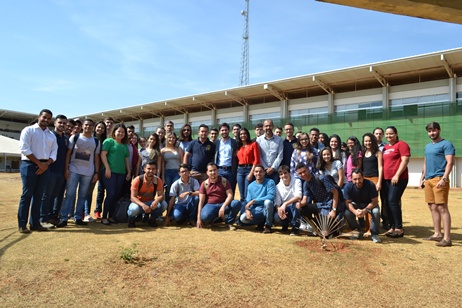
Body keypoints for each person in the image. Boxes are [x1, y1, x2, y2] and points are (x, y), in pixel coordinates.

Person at [18, 109, 58, 233]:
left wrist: (46, 164)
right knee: (27, 195)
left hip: (46, 166)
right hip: (30, 165)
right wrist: (39, 164)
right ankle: (22, 224)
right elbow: (24, 148)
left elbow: (54, 152)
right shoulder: (28, 130)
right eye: (44, 117)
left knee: (39, 196)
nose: (46, 120)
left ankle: (35, 223)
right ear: (39, 117)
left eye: (49, 118)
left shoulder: (51, 135)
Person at [57, 119, 101, 227]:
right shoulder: (75, 137)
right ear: (82, 126)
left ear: (93, 127)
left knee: (82, 195)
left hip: (88, 173)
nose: (88, 127)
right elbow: (68, 153)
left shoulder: (96, 141)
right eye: (86, 125)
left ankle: (78, 217)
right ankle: (64, 218)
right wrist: (66, 168)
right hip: (73, 170)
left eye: (90, 125)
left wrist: (96, 172)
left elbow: (96, 158)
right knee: (70, 194)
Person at [420, 122, 455, 247]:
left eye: (434, 130)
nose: (432, 133)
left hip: (439, 179)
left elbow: (450, 163)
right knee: (432, 207)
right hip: (428, 180)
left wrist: (444, 178)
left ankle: (447, 238)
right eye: (429, 131)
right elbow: (425, 162)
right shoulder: (428, 146)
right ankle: (437, 234)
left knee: (442, 208)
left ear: (439, 130)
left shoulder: (446, 144)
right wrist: (422, 178)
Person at [382, 126, 410, 238]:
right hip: (386, 179)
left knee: (393, 201)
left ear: (396, 134)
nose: (389, 136)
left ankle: (399, 228)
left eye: (391, 133)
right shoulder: (385, 147)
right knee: (387, 202)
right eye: (387, 134)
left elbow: (405, 160)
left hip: (398, 178)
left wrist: (397, 175)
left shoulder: (402, 144)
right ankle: (392, 226)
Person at [100, 123, 131, 225]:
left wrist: (129, 172)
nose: (121, 133)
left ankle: (111, 216)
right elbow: (103, 154)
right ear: (114, 132)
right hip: (110, 172)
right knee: (111, 193)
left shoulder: (124, 146)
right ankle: (104, 217)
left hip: (121, 173)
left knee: (116, 195)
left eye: (123, 132)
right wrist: (107, 168)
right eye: (119, 131)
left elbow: (126, 159)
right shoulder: (109, 141)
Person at [41, 114, 68, 226]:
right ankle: (43, 218)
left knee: (56, 195)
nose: (62, 125)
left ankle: (52, 216)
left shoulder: (65, 139)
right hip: (50, 170)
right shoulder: (49, 136)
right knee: (47, 195)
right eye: (60, 122)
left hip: (61, 171)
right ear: (55, 123)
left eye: (64, 123)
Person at [196, 163, 240, 229]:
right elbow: (201, 201)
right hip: (210, 205)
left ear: (218, 170)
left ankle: (229, 222)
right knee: (205, 217)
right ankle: (215, 220)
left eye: (214, 170)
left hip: (223, 204)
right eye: (210, 171)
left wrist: (223, 207)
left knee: (236, 203)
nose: (213, 172)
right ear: (207, 172)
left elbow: (230, 195)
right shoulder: (204, 184)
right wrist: (198, 218)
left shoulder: (224, 181)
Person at [344, 169, 381, 243]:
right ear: (351, 179)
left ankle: (374, 234)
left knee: (376, 212)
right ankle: (357, 231)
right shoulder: (348, 187)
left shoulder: (370, 185)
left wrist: (365, 210)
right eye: (355, 179)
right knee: (347, 213)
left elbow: (375, 201)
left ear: (363, 177)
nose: (357, 181)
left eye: (359, 178)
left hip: (369, 204)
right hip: (356, 204)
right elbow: (347, 203)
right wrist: (354, 211)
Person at [127, 160, 167, 228]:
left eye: (153, 169)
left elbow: (161, 195)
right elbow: (132, 197)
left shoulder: (157, 180)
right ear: (144, 169)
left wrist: (156, 201)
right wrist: (143, 205)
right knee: (134, 209)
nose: (151, 171)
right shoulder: (138, 180)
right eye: (149, 168)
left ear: (156, 170)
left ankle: (152, 219)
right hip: (138, 203)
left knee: (164, 204)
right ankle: (131, 220)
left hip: (150, 203)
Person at [239, 165, 275, 234]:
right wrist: (247, 210)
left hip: (266, 209)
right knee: (243, 218)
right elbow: (249, 201)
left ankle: (268, 225)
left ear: (264, 173)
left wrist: (255, 200)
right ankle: (261, 222)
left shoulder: (270, 182)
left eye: (260, 171)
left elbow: (271, 196)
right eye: (256, 172)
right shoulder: (250, 186)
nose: (258, 173)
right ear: (253, 173)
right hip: (256, 210)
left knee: (268, 202)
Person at [85, 120, 107, 220]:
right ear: (95, 128)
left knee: (98, 191)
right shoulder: (89, 139)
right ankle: (84, 212)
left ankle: (97, 211)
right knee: (85, 191)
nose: (100, 129)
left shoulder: (106, 141)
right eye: (98, 127)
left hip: (100, 169)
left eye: (102, 128)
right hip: (87, 168)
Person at [273, 165, 302, 235]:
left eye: (285, 173)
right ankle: (285, 225)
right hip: (285, 209)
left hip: (294, 208)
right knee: (276, 217)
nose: (283, 175)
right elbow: (277, 202)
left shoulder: (297, 181)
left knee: (296, 205)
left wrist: (285, 204)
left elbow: (298, 196)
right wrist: (279, 210)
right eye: (281, 174)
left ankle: (295, 227)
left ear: (289, 173)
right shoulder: (278, 187)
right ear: (279, 176)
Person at [236, 128, 260, 202]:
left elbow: (256, 160)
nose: (243, 135)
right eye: (241, 134)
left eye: (244, 133)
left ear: (247, 135)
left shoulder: (253, 144)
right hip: (240, 170)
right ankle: (242, 210)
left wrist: (251, 173)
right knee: (241, 194)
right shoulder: (238, 146)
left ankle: (247, 210)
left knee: (247, 193)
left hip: (249, 169)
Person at [256, 119, 284, 184]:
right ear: (263, 127)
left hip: (275, 171)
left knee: (275, 191)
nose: (268, 128)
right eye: (266, 126)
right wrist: (265, 168)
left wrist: (273, 168)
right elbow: (259, 156)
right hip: (263, 171)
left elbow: (280, 156)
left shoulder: (279, 140)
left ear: (273, 127)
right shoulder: (259, 140)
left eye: (270, 126)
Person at [215, 123, 238, 195]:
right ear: (219, 132)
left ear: (229, 131)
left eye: (226, 130)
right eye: (222, 130)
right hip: (219, 170)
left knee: (231, 190)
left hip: (230, 170)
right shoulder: (217, 142)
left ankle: (230, 205)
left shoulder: (234, 142)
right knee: (219, 191)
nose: (224, 132)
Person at [161, 132, 183, 200]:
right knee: (168, 190)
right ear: (167, 138)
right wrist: (162, 177)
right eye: (170, 137)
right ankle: (168, 208)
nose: (171, 139)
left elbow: (182, 162)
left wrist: (182, 173)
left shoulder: (178, 149)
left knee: (175, 190)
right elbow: (162, 164)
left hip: (177, 172)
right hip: (167, 172)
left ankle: (174, 208)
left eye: (173, 138)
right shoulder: (163, 150)